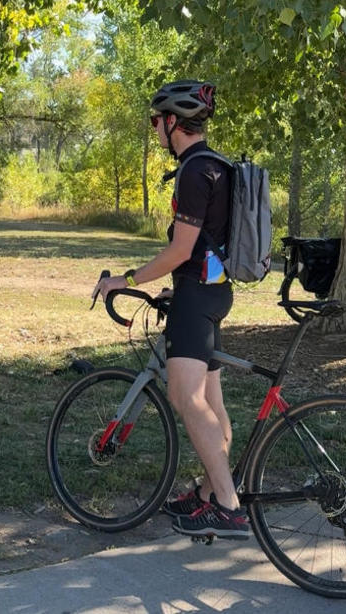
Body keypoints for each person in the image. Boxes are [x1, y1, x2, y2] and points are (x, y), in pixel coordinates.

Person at [94, 80, 248, 540]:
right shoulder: (217, 166)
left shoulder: (193, 171)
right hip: (214, 293)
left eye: (156, 121)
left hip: (198, 295)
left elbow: (181, 250)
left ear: (173, 122)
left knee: (186, 399)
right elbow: (202, 247)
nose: (154, 129)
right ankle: (206, 494)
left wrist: (127, 279)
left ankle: (227, 505)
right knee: (212, 403)